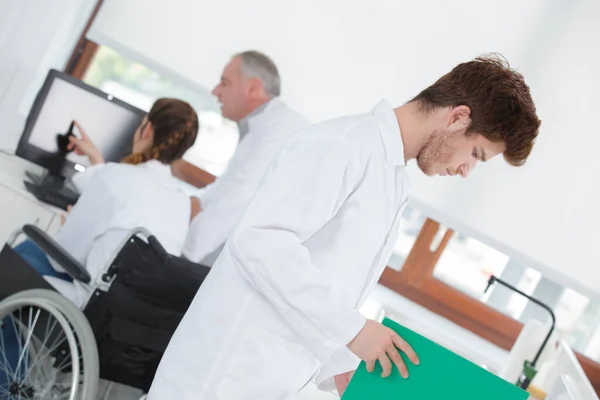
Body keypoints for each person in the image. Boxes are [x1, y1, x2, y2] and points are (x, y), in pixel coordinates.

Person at [147, 55, 541, 399]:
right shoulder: (345, 144)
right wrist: (353, 330)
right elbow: (259, 240)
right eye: (476, 154)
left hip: (264, 378)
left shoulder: (391, 179)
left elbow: (324, 284)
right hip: (217, 377)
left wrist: (342, 367)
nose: (465, 170)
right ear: (457, 118)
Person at [14, 98, 200, 307]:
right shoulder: (181, 203)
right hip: (127, 316)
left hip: (85, 305)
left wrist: (71, 226)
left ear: (147, 129)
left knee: (27, 251)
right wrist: (96, 159)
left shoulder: (117, 176)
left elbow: (62, 259)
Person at [171, 50, 309, 266]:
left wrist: (180, 256)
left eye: (225, 83)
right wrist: (182, 206)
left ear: (252, 88)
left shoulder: (279, 131)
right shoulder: (262, 126)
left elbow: (235, 201)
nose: (216, 92)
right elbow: (225, 188)